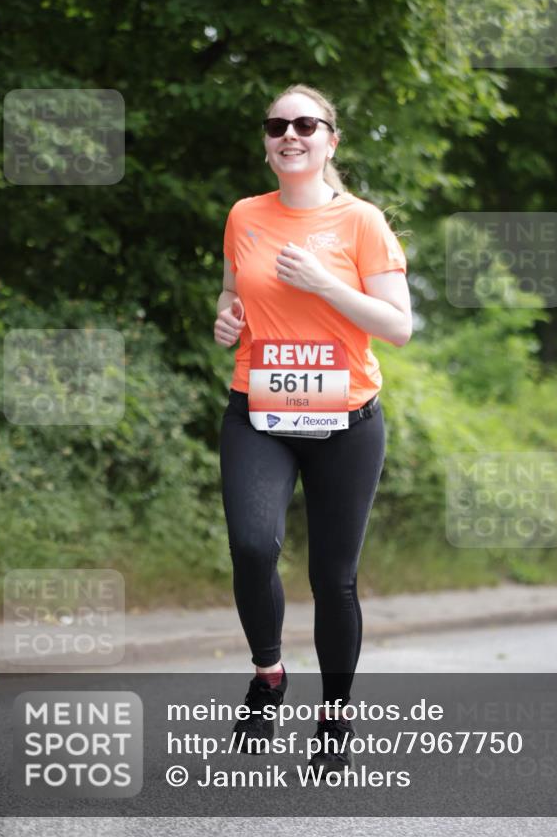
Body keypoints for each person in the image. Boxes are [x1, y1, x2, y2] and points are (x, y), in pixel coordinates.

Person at [214, 83, 412, 772]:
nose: (288, 134)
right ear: (266, 143)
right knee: (250, 544)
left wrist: (326, 285)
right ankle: (268, 675)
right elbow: (233, 289)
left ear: (331, 139)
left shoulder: (361, 222)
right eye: (276, 125)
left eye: (305, 123)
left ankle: (333, 717)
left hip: (346, 419)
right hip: (258, 410)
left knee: (333, 578)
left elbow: (397, 326)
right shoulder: (244, 215)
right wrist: (226, 317)